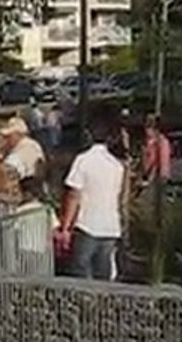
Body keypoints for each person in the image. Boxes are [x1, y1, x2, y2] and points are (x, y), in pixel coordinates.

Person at [58, 117, 125, 280]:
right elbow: (120, 197)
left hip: (87, 224)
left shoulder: (83, 160)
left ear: (88, 135)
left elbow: (74, 195)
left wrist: (66, 227)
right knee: (103, 274)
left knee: (81, 272)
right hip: (110, 227)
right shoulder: (117, 165)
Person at [0, 116, 45, 184]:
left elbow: (10, 169)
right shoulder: (22, 146)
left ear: (17, 135)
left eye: (8, 136)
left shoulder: (29, 147)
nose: (5, 140)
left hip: (30, 188)